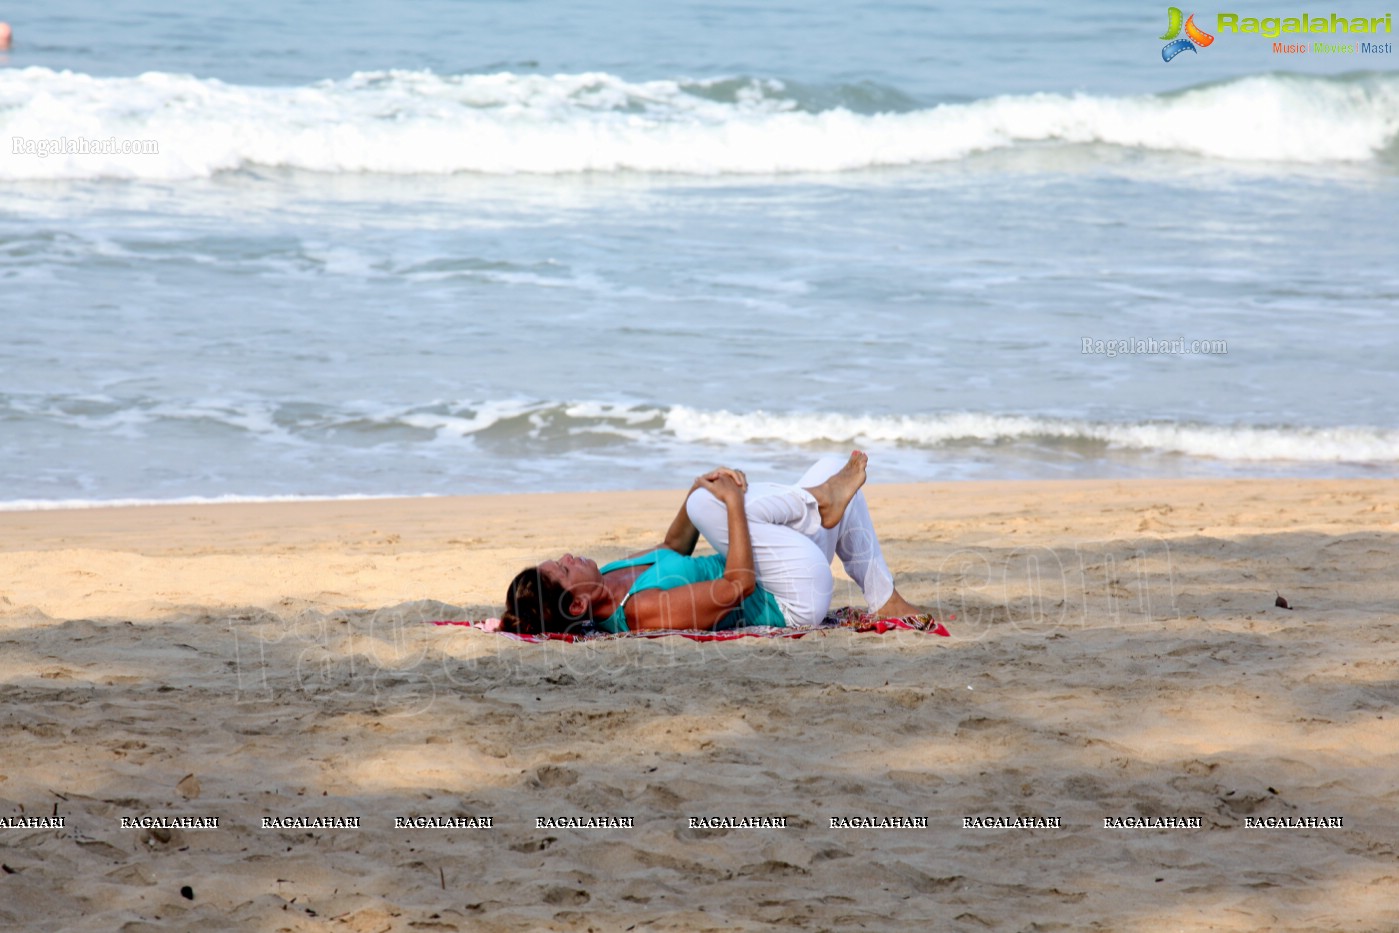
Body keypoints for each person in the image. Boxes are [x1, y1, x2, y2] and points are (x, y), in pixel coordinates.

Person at [500, 451, 928, 635]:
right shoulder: (638, 610)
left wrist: (699, 484)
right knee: (709, 504)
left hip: (788, 567)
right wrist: (732, 503)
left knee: (832, 465)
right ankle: (817, 500)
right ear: (576, 605)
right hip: (793, 601)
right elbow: (736, 587)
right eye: (563, 568)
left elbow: (673, 545)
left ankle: (884, 596)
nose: (568, 557)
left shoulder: (610, 576)